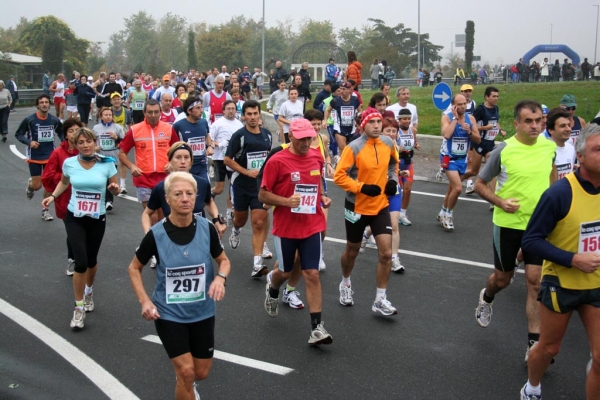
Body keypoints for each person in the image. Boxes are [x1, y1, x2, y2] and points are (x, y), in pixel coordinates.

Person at [129, 171, 230, 400]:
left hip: (202, 311)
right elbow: (134, 268)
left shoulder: (207, 228)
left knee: (200, 373)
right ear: (167, 199)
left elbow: (223, 261)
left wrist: (220, 278)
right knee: (186, 371)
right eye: (178, 194)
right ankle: (184, 380)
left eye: (190, 194)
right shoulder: (155, 234)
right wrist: (145, 300)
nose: (185, 198)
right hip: (169, 313)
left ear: (196, 197)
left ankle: (186, 382)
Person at [518, 123, 600, 400]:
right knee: (549, 348)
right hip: (561, 284)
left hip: (596, 285)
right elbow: (530, 241)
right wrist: (573, 259)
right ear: (581, 156)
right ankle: (532, 388)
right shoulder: (559, 194)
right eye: (597, 149)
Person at [473, 100, 557, 363]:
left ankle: (533, 345)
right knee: (503, 279)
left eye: (538, 121)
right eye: (529, 121)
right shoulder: (504, 150)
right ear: (517, 124)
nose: (535, 126)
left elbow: (553, 181)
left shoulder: (549, 147)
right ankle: (487, 297)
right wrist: (500, 202)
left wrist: (557, 210)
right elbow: (479, 184)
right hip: (508, 225)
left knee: (535, 282)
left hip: (538, 227)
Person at [260, 118, 333, 345]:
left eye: (309, 138)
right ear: (290, 136)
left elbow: (316, 185)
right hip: (286, 228)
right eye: (301, 139)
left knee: (311, 273)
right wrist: (285, 201)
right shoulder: (277, 161)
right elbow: (263, 195)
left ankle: (316, 328)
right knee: (285, 270)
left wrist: (322, 197)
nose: (306, 142)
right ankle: (273, 288)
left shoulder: (316, 157)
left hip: (312, 225)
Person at [41, 127, 119, 329]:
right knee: (81, 262)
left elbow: (114, 186)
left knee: (92, 261)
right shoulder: (69, 163)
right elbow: (63, 183)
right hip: (74, 216)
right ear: (75, 145)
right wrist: (52, 196)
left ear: (95, 143)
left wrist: (114, 189)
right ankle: (78, 308)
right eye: (81, 142)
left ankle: (89, 291)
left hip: (96, 217)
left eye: (89, 141)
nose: (85, 145)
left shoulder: (107, 164)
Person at [333, 107, 400, 315]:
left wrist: (392, 181)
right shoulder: (353, 147)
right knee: (352, 251)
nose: (377, 126)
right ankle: (345, 283)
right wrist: (361, 187)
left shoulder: (388, 143)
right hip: (357, 206)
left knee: (386, 253)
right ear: (364, 125)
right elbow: (339, 176)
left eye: (379, 122)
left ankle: (380, 299)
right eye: (372, 122)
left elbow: (392, 167)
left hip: (380, 206)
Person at [224, 100, 273, 277]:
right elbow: (227, 160)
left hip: (259, 187)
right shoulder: (239, 136)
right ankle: (236, 230)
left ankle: (257, 264)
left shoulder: (267, 135)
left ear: (260, 115)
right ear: (243, 116)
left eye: (255, 113)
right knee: (240, 220)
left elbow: (268, 160)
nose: (252, 117)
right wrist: (246, 172)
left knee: (259, 221)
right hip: (241, 185)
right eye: (249, 114)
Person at [143, 142, 226, 236]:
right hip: (172, 237)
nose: (183, 161)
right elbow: (146, 214)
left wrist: (216, 219)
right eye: (178, 157)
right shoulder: (162, 187)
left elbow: (209, 202)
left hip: (200, 236)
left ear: (191, 161)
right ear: (170, 161)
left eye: (186, 157)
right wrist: (148, 234)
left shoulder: (202, 183)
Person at [119, 99, 179, 214]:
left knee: (163, 215)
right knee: (152, 215)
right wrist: (132, 166)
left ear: (160, 112)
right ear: (144, 113)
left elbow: (178, 149)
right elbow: (122, 153)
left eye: (156, 112)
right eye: (150, 112)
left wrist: (172, 163)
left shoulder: (169, 128)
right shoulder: (134, 130)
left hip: (164, 178)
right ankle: (151, 232)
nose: (153, 115)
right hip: (143, 178)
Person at [42, 118, 81, 275]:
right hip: (65, 198)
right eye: (70, 131)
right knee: (73, 232)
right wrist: (67, 177)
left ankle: (84, 259)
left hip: (86, 199)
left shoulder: (86, 150)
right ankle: (72, 259)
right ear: (65, 134)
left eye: (76, 130)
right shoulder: (58, 153)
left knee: (85, 232)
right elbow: (48, 176)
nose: (74, 134)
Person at [16, 94, 64, 221]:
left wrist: (65, 145)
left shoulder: (54, 120)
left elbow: (61, 132)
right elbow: (19, 134)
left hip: (50, 156)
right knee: (37, 186)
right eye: (41, 102)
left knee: (49, 185)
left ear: (49, 104)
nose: (44, 104)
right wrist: (29, 142)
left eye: (46, 102)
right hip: (35, 156)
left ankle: (45, 210)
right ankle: (31, 185)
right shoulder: (30, 120)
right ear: (38, 105)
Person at [436, 94, 481, 231]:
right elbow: (447, 134)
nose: (463, 106)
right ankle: (448, 215)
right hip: (448, 158)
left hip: (462, 159)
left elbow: (478, 139)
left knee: (451, 188)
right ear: (453, 106)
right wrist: (455, 119)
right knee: (457, 188)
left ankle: (443, 211)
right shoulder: (447, 117)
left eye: (464, 103)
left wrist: (469, 132)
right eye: (459, 104)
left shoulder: (471, 119)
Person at [464, 86, 506, 195]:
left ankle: (493, 200)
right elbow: (471, 126)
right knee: (474, 171)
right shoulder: (481, 109)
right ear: (486, 97)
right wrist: (485, 128)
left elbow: (495, 122)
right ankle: (456, 182)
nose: (496, 98)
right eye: (493, 96)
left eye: (497, 96)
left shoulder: (496, 109)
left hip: (490, 144)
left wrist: (500, 130)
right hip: (479, 143)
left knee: (492, 171)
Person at [210, 100, 244, 226]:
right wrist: (219, 144)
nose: (231, 111)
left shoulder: (240, 124)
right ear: (223, 110)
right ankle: (210, 194)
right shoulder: (217, 124)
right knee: (219, 189)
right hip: (219, 159)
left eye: (233, 108)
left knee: (232, 188)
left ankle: (229, 213)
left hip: (233, 160)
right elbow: (210, 141)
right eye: (228, 108)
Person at [172, 96, 213, 179]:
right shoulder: (178, 125)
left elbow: (207, 135)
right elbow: (172, 146)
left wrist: (210, 146)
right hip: (185, 166)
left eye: (201, 107)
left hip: (202, 165)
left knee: (204, 190)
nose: (201, 110)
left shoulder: (203, 122)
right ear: (189, 111)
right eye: (197, 108)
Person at [92, 107, 125, 211]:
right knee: (102, 180)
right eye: (105, 115)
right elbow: (91, 141)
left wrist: (117, 138)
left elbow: (124, 142)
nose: (108, 117)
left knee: (109, 180)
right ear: (101, 116)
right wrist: (94, 148)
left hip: (112, 158)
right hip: (100, 157)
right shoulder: (96, 128)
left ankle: (109, 201)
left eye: (110, 115)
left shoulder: (117, 128)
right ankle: (104, 200)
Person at [396, 108, 421, 226]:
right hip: (397, 164)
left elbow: (414, 142)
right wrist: (396, 148)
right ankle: (394, 212)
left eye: (408, 119)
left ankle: (402, 213)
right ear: (399, 120)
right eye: (404, 119)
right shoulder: (396, 132)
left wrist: (416, 145)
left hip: (408, 163)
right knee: (397, 190)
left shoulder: (413, 130)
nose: (407, 121)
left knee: (408, 190)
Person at [323, 81, 361, 152]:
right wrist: (325, 120)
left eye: (344, 89)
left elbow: (360, 112)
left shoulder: (355, 100)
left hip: (352, 128)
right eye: (340, 89)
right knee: (343, 150)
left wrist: (359, 122)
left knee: (351, 150)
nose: (341, 91)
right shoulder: (335, 101)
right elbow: (328, 110)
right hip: (339, 129)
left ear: (350, 90)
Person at [546, 107, 577, 180]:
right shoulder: (544, 150)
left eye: (569, 125)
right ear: (551, 130)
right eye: (562, 126)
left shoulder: (571, 149)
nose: (568, 129)